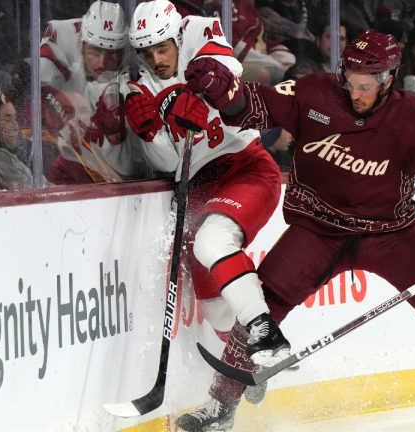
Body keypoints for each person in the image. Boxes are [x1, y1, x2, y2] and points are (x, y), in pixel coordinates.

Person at [183, 29, 415, 432]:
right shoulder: (314, 92)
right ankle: (219, 408)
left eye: (365, 85)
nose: (355, 91)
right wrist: (230, 95)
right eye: (349, 79)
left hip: (390, 233)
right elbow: (256, 107)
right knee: (259, 309)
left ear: (389, 80)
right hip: (317, 229)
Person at [122, 1, 285, 430]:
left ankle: (266, 334)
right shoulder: (137, 88)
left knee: (214, 241)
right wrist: (151, 133)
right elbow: (168, 162)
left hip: (247, 167)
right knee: (213, 307)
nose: (156, 59)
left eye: (161, 47)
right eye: (146, 52)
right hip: (200, 186)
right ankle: (240, 380)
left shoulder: (198, 32)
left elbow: (223, 69)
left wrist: (205, 93)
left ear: (175, 36)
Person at [38, 0, 143, 183]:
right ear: (82, 44)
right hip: (71, 165)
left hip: (115, 174)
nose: (102, 63)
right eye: (95, 52)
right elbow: (32, 82)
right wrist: (47, 98)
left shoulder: (139, 60)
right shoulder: (63, 37)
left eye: (111, 54)